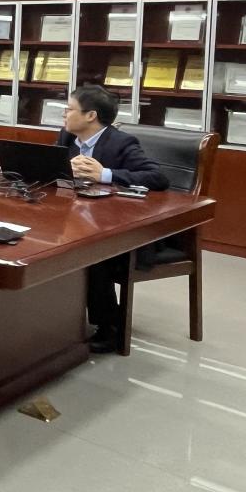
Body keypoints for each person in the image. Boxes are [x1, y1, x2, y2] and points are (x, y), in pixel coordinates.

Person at [56, 84, 169, 353]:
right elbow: (52, 170)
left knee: (89, 254)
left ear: (90, 116)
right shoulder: (67, 137)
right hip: (75, 218)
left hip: (123, 231)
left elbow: (157, 178)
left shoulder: (121, 142)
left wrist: (105, 174)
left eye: (69, 110)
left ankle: (110, 328)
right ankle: (55, 319)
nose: (64, 115)